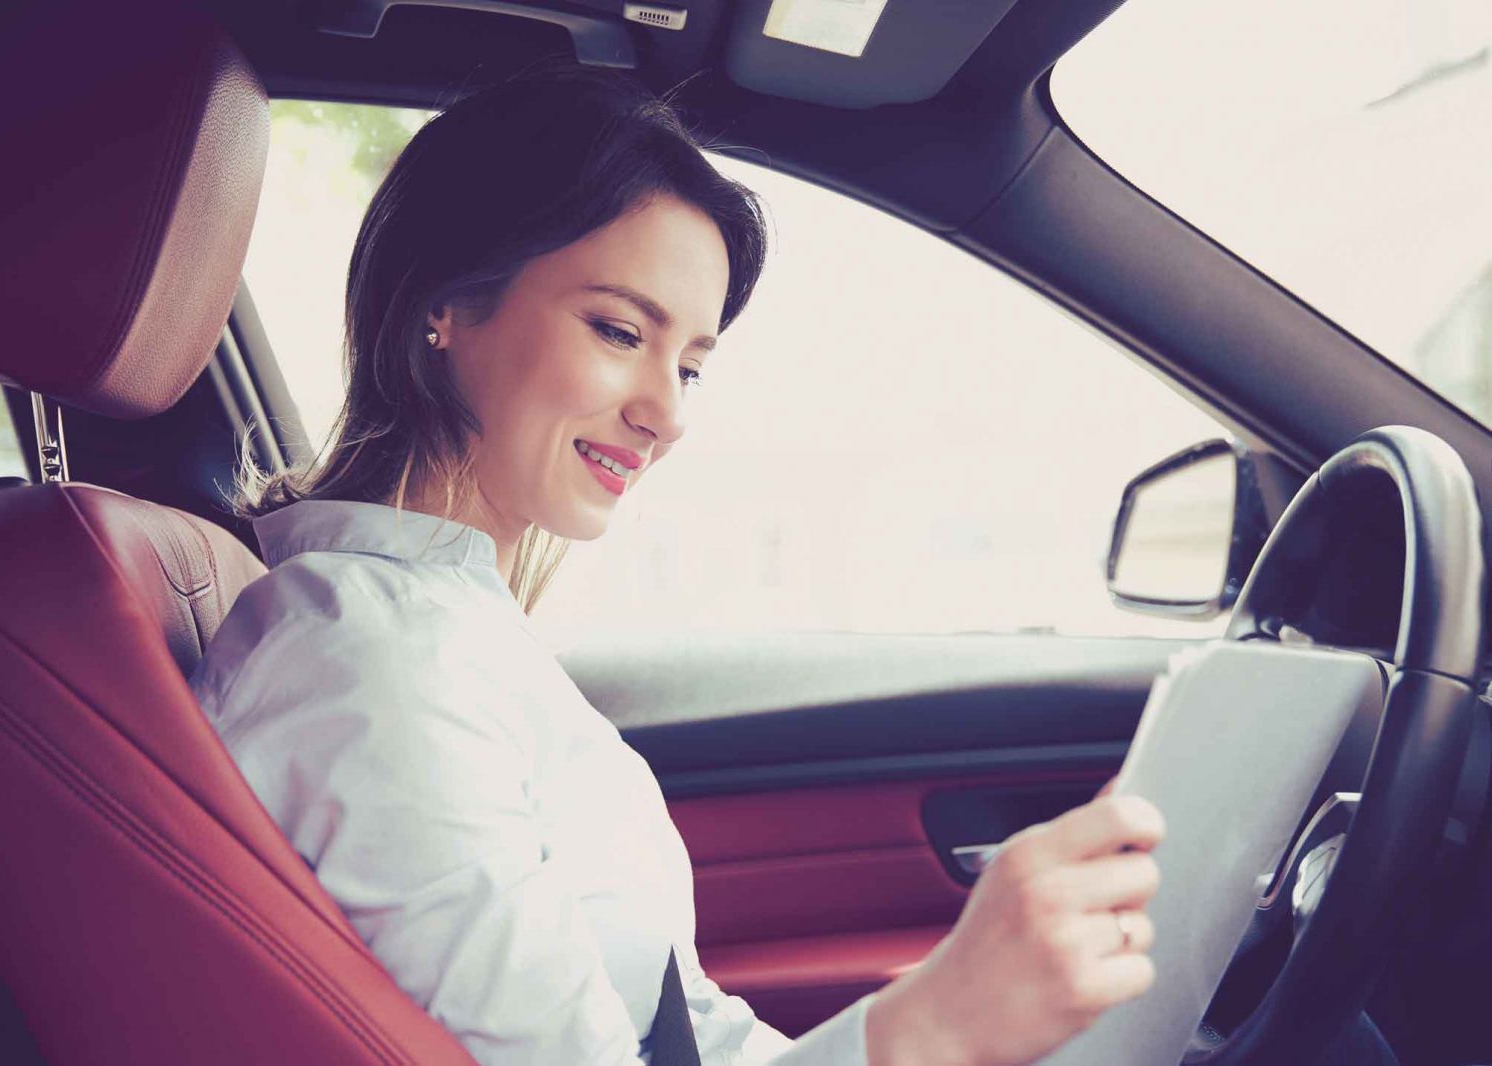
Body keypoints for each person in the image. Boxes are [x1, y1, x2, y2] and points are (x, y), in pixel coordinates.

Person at [188, 63, 1175, 1066]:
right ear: (443, 307)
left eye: (690, 364)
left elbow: (673, 1030)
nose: (667, 413)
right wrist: (937, 1025)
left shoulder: (445, 623)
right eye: (619, 331)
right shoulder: (368, 663)